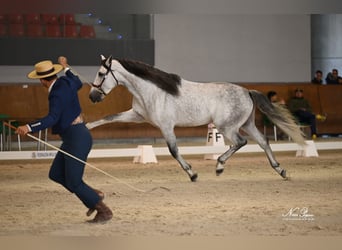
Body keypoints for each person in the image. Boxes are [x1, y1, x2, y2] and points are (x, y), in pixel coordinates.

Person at [15, 56, 113, 223]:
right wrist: (65, 66)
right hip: (73, 138)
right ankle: (94, 195)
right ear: (54, 74)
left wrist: (29, 127)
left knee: (74, 182)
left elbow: (52, 118)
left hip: (77, 138)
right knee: (56, 174)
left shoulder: (56, 93)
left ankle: (103, 211)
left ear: (42, 81)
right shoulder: (66, 82)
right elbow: (78, 81)